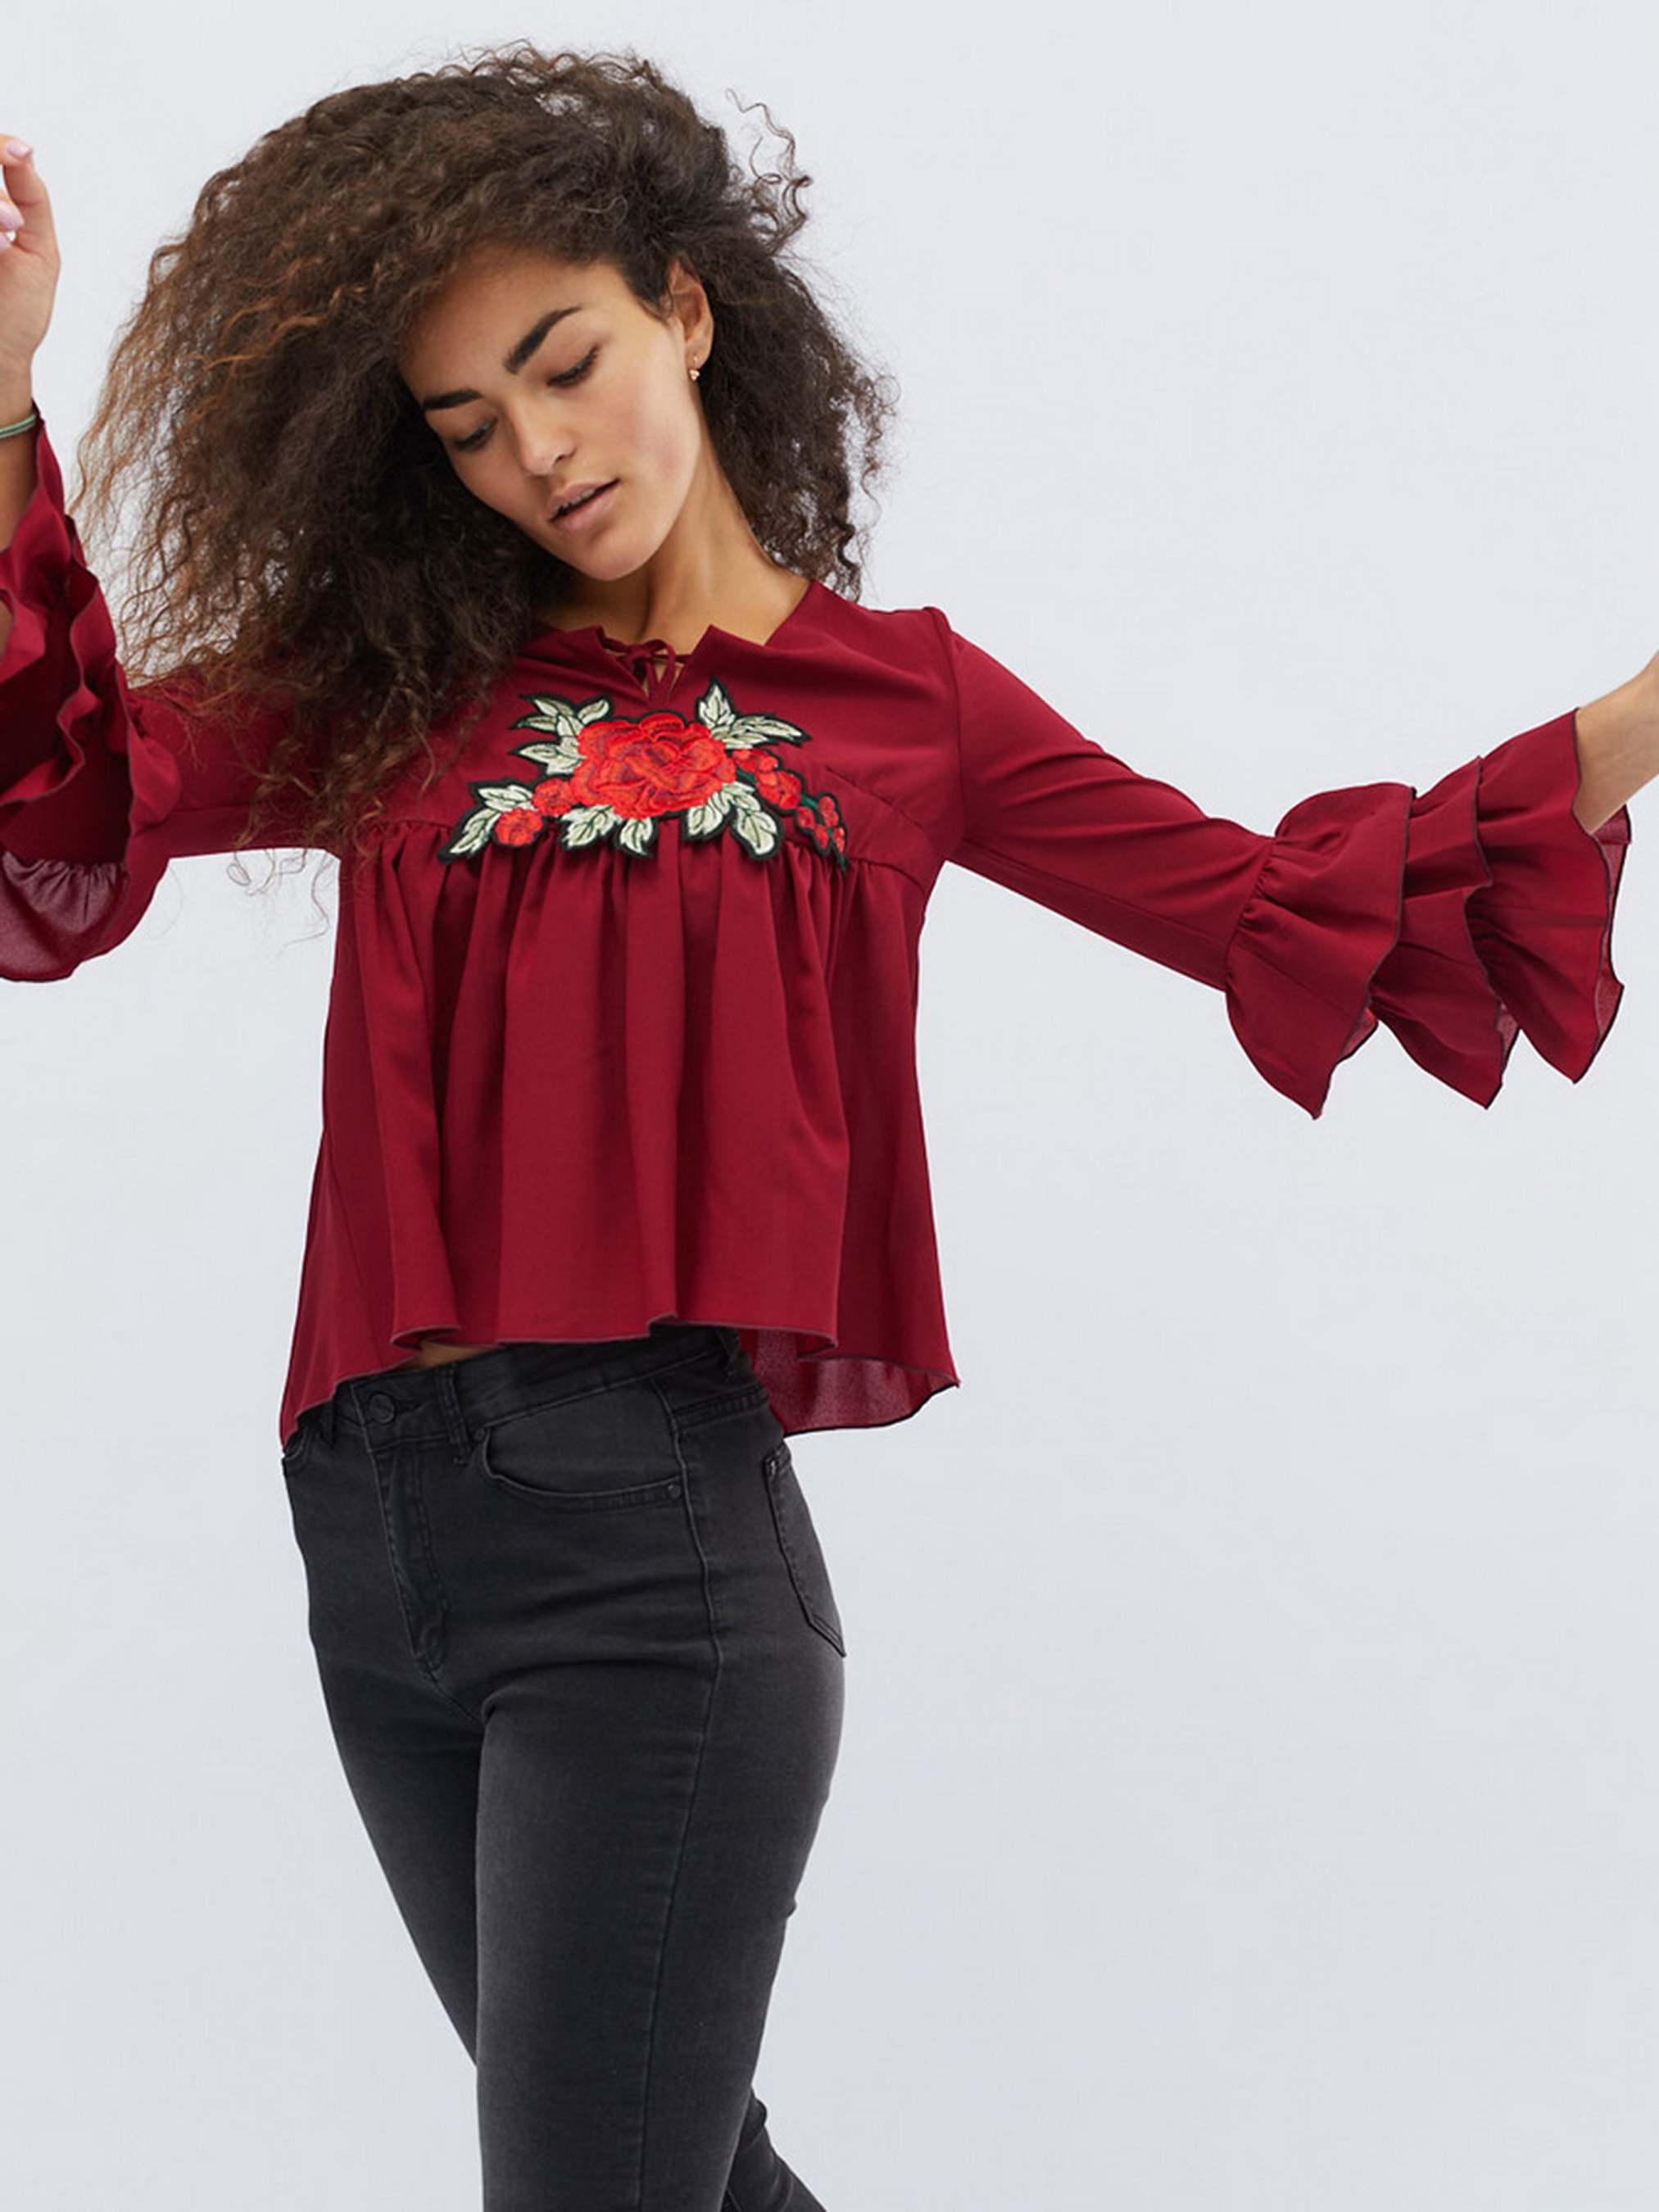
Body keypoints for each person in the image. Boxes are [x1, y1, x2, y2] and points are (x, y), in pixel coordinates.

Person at [0, 42, 1652, 2212]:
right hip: (368, 1539)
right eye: (468, 424)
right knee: (682, 2175)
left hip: (652, 1569)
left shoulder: (909, 710)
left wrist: (1645, 712)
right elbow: (61, 811)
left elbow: (1296, 904)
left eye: (565, 362)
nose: (536, 449)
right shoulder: (388, 685)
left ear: (685, 310)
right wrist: (8, 408)